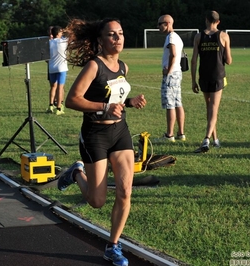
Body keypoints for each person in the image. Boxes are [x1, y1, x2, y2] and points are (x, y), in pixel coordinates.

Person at [58, 18, 146, 266]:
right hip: (95, 136)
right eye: (111, 35)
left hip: (119, 133)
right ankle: (77, 172)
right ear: (100, 40)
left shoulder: (123, 67)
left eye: (120, 33)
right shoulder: (93, 67)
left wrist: (129, 103)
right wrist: (104, 108)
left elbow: (116, 98)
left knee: (125, 191)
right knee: (97, 202)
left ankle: (113, 246)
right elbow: (72, 100)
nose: (117, 38)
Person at [191, 10, 232, 153]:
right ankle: (207, 139)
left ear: (206, 20)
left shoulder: (198, 36)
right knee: (213, 109)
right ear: (218, 22)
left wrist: (193, 81)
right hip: (218, 76)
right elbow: (229, 60)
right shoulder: (223, 36)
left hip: (203, 76)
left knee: (209, 108)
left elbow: (194, 60)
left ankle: (215, 140)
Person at [157, 14, 186, 142]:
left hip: (171, 74)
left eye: (160, 24)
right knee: (178, 103)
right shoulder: (177, 37)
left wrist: (167, 71)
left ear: (167, 23)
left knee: (170, 104)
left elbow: (173, 54)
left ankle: (169, 135)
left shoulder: (171, 37)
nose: (158, 27)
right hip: (177, 73)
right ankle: (181, 133)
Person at [47, 26, 68, 115]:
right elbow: (72, 36)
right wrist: (66, 30)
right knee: (60, 87)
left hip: (52, 68)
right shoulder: (63, 41)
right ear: (58, 33)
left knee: (53, 87)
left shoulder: (49, 42)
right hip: (62, 68)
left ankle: (51, 105)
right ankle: (58, 108)